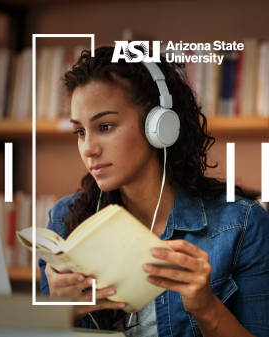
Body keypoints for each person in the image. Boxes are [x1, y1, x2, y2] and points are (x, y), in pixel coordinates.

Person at [39, 46, 269, 337]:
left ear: (159, 126)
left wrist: (207, 308)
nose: (88, 149)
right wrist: (58, 313)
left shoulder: (242, 225)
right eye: (80, 132)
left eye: (105, 126)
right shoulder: (65, 220)